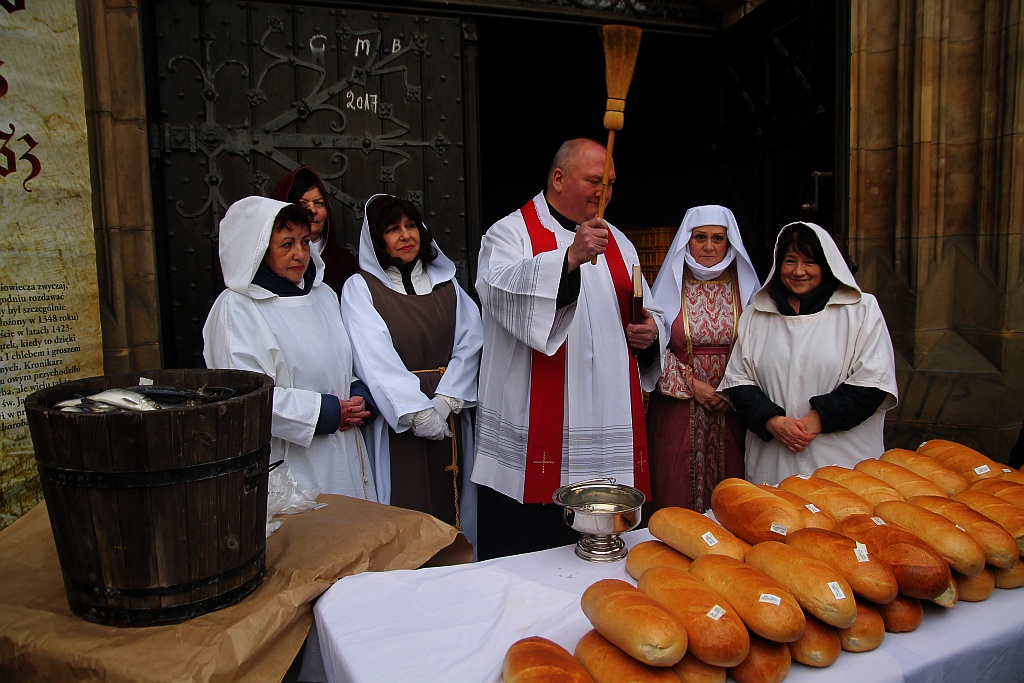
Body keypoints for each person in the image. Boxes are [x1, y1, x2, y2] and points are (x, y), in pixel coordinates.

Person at [471, 138, 667, 559]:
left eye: (611, 183)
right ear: (558, 178)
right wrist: (569, 259)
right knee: (531, 560)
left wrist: (649, 336)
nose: (604, 193)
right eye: (594, 180)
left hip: (607, 414)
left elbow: (648, 311)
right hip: (537, 426)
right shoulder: (509, 233)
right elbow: (498, 292)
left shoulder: (619, 242)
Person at [203, 196, 376, 500]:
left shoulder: (322, 295)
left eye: (305, 241)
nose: (300, 254)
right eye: (287, 244)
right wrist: (325, 412)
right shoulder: (237, 309)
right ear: (257, 252)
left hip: (343, 454)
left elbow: (338, 365)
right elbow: (246, 396)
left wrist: (358, 393)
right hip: (288, 465)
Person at [340, 194, 483, 547]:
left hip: (449, 411)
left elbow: (472, 343)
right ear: (376, 240)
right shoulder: (361, 289)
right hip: (398, 421)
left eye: (411, 225)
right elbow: (373, 356)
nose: (406, 235)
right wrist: (417, 412)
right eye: (392, 229)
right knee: (402, 510)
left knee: (455, 509)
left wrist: (447, 400)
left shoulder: (448, 286)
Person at [718, 221, 898, 485]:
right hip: (774, 458)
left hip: (841, 459)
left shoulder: (860, 311)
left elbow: (872, 382)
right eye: (790, 261)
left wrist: (818, 419)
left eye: (809, 262)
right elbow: (739, 380)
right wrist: (772, 421)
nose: (798, 271)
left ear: (826, 265)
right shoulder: (758, 315)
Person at [646, 205, 761, 512]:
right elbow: (653, 345)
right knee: (675, 483)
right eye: (700, 237)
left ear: (729, 242)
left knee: (733, 491)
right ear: (688, 240)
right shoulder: (672, 282)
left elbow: (759, 346)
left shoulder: (746, 287)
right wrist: (692, 384)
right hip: (678, 405)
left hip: (732, 405)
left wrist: (731, 389)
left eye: (718, 238)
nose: (709, 246)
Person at [270, 166, 359, 296]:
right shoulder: (270, 266)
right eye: (302, 203)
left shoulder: (345, 264)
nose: (312, 211)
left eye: (319, 203)